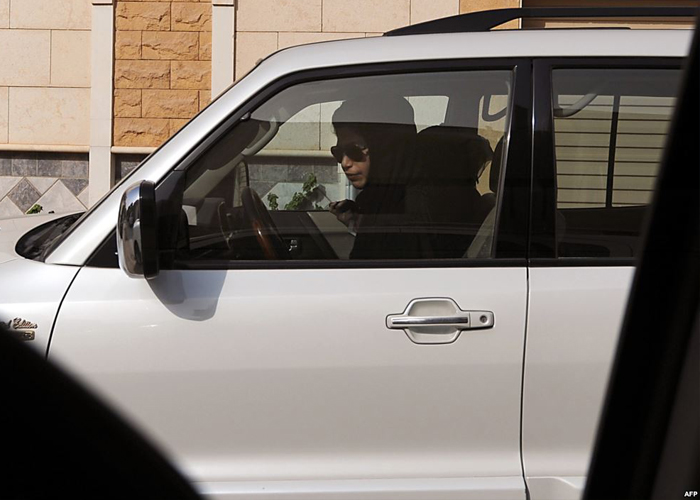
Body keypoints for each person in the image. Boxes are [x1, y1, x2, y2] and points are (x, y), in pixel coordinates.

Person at [328, 94, 433, 259]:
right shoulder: (381, 200)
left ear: (385, 149)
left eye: (354, 151)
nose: (345, 163)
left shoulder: (412, 208)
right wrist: (358, 220)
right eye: (338, 152)